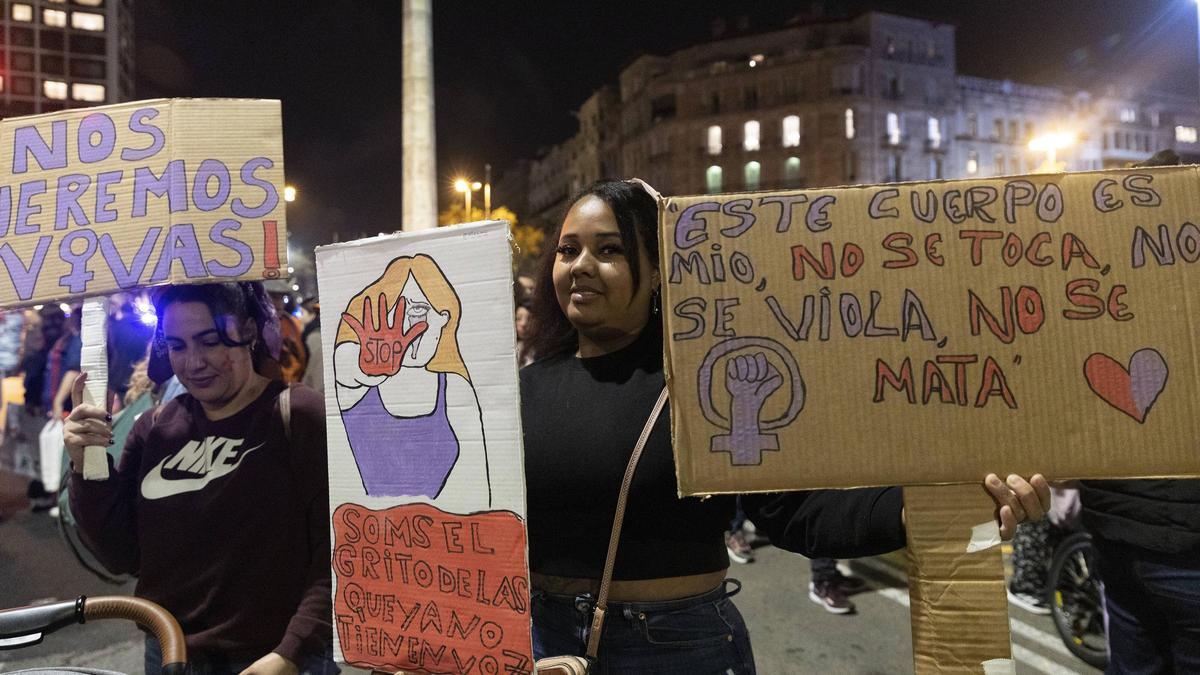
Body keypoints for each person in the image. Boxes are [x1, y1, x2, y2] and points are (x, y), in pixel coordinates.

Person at [520, 180, 1051, 673]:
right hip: (541, 648)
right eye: (568, 251)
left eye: (609, 249)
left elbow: (794, 510)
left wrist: (925, 508)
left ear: (661, 269)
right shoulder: (519, 389)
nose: (581, 265)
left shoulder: (711, 383)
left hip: (677, 650)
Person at [64, 282, 335, 675]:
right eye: (177, 346)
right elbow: (120, 554)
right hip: (168, 655)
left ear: (248, 331)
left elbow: (337, 551)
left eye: (209, 341)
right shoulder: (154, 428)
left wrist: (292, 652)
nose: (193, 363)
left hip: (274, 659)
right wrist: (85, 463)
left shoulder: (299, 416)